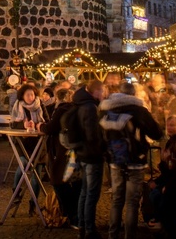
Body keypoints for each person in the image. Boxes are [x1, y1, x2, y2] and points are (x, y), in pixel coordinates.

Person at [100, 82, 163, 239]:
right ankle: (129, 236)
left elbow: (100, 134)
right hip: (135, 161)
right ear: (133, 94)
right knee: (132, 203)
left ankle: (112, 235)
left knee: (116, 201)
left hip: (115, 161)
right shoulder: (139, 110)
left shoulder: (107, 108)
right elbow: (156, 133)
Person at [40, 87, 81, 229]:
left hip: (61, 151)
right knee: (75, 182)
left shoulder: (61, 109)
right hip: (75, 151)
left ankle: (71, 215)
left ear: (57, 98)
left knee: (58, 182)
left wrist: (41, 126)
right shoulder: (76, 109)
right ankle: (76, 215)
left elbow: (51, 128)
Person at [73, 79, 105, 239]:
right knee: (91, 194)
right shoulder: (91, 107)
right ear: (96, 91)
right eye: (102, 91)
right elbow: (93, 135)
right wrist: (102, 148)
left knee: (84, 192)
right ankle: (90, 230)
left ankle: (82, 227)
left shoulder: (80, 103)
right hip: (92, 156)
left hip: (82, 154)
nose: (104, 94)